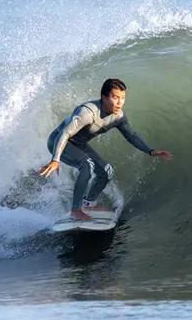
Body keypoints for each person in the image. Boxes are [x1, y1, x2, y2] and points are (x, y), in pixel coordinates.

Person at [39, 78, 172, 221]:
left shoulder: (118, 117)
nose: (120, 102)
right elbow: (65, 133)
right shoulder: (87, 112)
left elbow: (131, 135)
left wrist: (150, 151)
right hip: (58, 141)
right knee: (86, 165)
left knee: (106, 171)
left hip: (79, 143)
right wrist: (55, 160)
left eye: (123, 98)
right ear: (103, 98)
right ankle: (75, 210)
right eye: (115, 98)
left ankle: (88, 204)